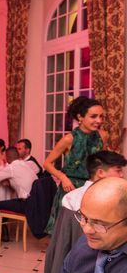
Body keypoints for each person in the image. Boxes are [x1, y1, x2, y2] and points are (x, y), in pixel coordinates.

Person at [44, 96, 108, 233]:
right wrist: (63, 178)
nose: (99, 120)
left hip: (92, 189)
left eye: (101, 117)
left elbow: (102, 162)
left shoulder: (102, 136)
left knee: (89, 232)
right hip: (70, 188)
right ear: (80, 117)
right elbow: (47, 163)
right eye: (94, 116)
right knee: (67, 232)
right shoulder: (69, 139)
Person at [0, 147, 38, 238]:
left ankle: (0, 233)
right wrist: (7, 181)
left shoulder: (11, 168)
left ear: (7, 157)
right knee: (4, 203)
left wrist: (3, 179)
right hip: (34, 201)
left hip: (26, 204)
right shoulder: (24, 164)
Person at [62, 150, 126, 213]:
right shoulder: (71, 198)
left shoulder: (121, 196)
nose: (122, 175)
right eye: (118, 171)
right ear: (100, 173)